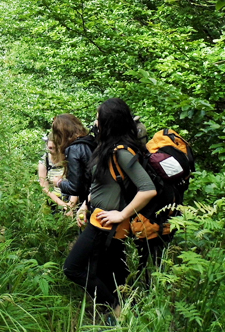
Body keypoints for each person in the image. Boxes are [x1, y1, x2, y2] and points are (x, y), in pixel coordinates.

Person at [63, 98, 157, 318]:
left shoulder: (122, 152)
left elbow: (147, 189)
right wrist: (84, 206)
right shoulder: (106, 147)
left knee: (73, 268)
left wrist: (122, 214)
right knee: (103, 270)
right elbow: (100, 183)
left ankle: (117, 309)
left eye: (99, 118)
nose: (95, 122)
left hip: (106, 224)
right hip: (96, 216)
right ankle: (113, 312)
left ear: (110, 122)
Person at [52, 114, 96, 210]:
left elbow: (75, 187)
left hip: (91, 202)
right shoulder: (90, 141)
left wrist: (59, 183)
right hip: (99, 195)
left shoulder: (74, 149)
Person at [37, 134, 73, 214]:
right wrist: (61, 204)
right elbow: (44, 187)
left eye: (55, 148)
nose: (52, 150)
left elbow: (77, 182)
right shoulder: (44, 160)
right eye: (50, 148)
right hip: (53, 199)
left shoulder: (69, 158)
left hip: (71, 197)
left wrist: (71, 204)